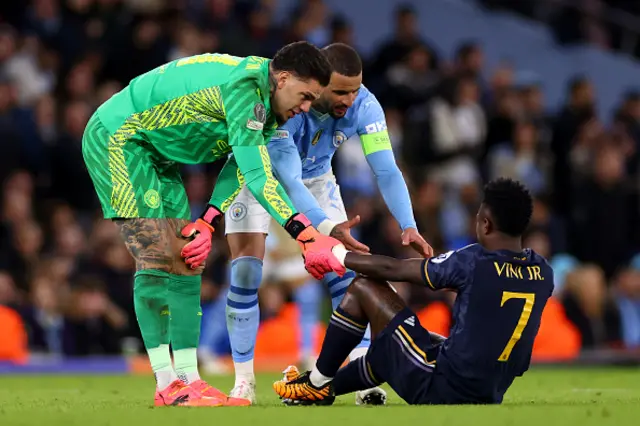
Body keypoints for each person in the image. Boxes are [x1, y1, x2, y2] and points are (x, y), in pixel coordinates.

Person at [81, 41, 348, 408]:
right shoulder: (245, 89)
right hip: (121, 137)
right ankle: (166, 383)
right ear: (283, 78)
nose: (304, 109)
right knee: (158, 257)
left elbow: (237, 165)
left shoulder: (268, 108)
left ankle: (189, 379)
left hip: (158, 156)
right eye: (304, 97)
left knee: (189, 259)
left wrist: (208, 220)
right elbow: (257, 173)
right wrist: (305, 233)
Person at [223, 43, 433, 405]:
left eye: (355, 89)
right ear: (317, 85)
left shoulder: (366, 105)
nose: (349, 99)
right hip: (259, 178)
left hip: (318, 181)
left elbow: (385, 168)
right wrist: (325, 227)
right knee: (245, 273)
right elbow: (287, 181)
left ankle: (360, 376)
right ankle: (244, 381)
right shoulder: (289, 103)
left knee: (347, 278)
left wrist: (408, 223)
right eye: (340, 91)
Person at [274, 178, 555, 405]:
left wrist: (337, 254)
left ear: (485, 224)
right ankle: (327, 388)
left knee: (364, 286)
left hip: (440, 386)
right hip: (490, 391)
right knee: (424, 338)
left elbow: (393, 270)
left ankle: (317, 383)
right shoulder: (543, 272)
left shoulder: (476, 261)